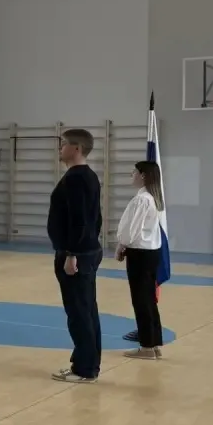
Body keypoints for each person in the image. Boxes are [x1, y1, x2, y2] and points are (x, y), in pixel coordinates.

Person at [49, 128, 104, 383]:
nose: (60, 148)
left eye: (63, 144)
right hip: (86, 251)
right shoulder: (88, 176)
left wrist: (73, 254)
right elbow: (96, 219)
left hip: (77, 254)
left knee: (79, 312)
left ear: (77, 148)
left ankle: (85, 368)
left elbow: (80, 220)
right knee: (86, 310)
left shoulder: (76, 179)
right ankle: (87, 363)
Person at [116, 161, 165, 360]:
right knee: (149, 299)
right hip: (151, 253)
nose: (132, 175)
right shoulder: (152, 198)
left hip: (140, 254)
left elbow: (132, 230)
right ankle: (153, 344)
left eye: (134, 172)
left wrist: (122, 245)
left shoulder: (142, 200)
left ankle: (146, 346)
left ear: (143, 175)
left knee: (141, 300)